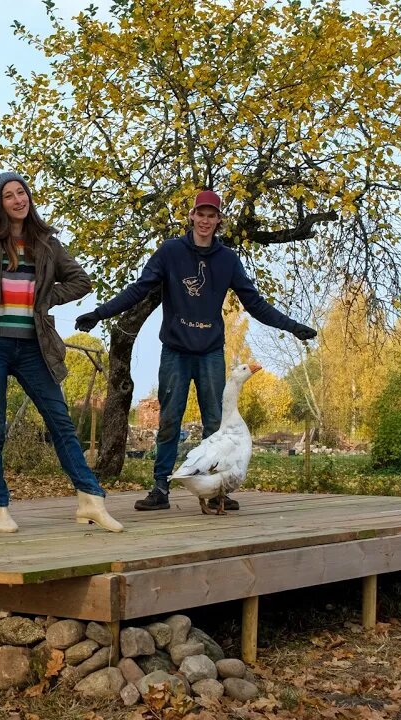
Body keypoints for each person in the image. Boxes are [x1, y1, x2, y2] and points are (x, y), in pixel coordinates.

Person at [76, 189, 316, 511]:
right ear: (191, 216)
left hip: (210, 353)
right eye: (200, 214)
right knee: (169, 420)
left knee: (216, 422)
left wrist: (290, 326)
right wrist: (99, 313)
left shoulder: (228, 260)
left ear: (218, 221)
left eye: (211, 215)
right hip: (175, 351)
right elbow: (138, 289)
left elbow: (254, 304)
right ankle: (160, 488)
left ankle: (218, 491)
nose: (205, 220)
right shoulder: (170, 252)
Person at [0, 171, 123, 533]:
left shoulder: (45, 242)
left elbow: (81, 280)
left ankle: (90, 500)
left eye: (22, 192)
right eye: (9, 195)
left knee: (61, 422)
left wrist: (45, 298)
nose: (18, 199)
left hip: (35, 348)